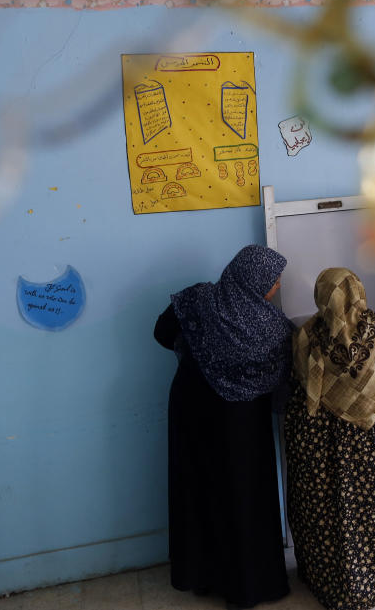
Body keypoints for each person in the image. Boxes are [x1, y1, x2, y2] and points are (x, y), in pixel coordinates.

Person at [154, 244, 292, 609]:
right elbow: (286, 378)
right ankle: (248, 588)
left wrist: (198, 350)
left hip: (192, 413)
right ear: (256, 281)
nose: (277, 286)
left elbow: (161, 331)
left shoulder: (198, 299)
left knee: (199, 490)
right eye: (273, 279)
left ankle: (202, 577)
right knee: (245, 498)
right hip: (241, 426)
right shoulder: (274, 330)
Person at [285, 267, 375, 610]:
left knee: (324, 508)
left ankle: (325, 579)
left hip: (318, 446)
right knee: (372, 504)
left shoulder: (306, 336)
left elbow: (293, 378)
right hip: (368, 443)